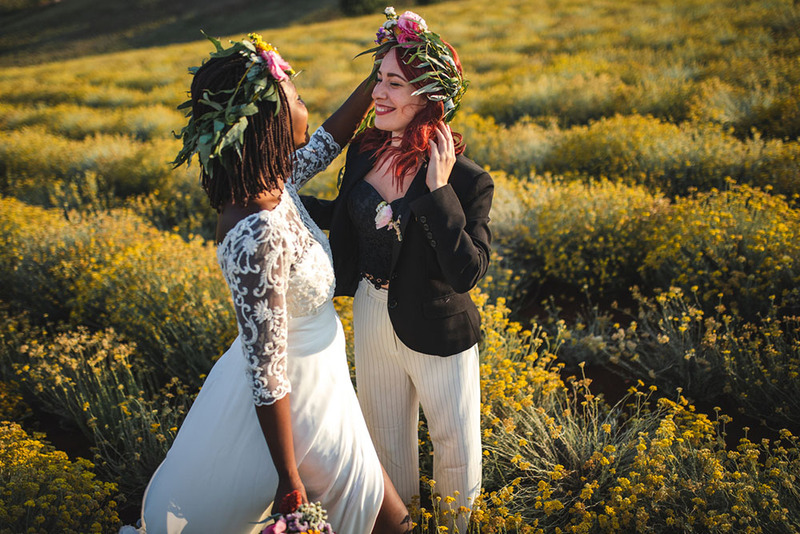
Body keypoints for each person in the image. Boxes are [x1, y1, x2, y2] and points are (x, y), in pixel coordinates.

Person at [124, 32, 412, 534]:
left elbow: (326, 142)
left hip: (323, 382)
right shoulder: (254, 230)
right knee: (389, 521)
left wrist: (380, 78)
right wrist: (288, 477)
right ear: (269, 121)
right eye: (296, 99)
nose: (305, 106)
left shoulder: (270, 178)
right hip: (298, 405)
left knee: (378, 516)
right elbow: (267, 373)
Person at [302, 8, 493, 532]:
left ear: (429, 96)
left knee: (454, 443)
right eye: (377, 80)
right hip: (370, 308)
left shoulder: (469, 179)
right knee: (383, 438)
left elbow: (467, 273)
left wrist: (437, 192)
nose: (377, 95)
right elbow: (344, 216)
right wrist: (275, 202)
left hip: (437, 324)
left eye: (393, 83)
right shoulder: (363, 151)